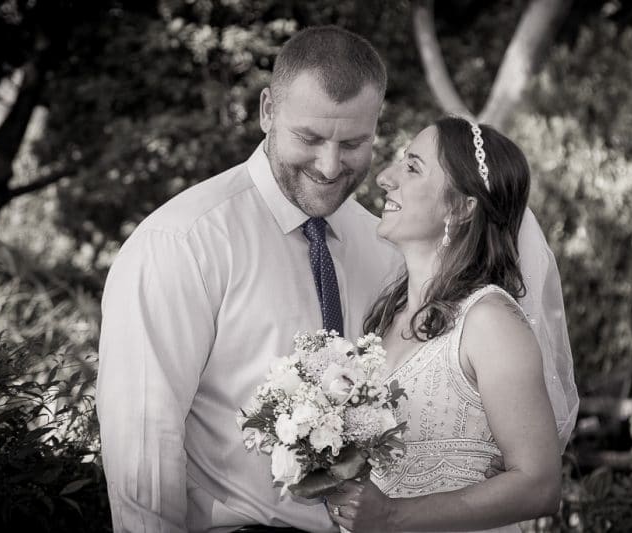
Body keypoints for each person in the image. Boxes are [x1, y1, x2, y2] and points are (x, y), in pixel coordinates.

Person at [96, 26, 402, 532]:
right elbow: (143, 443)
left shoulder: (384, 247)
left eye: (353, 143)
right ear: (267, 111)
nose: (330, 166)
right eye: (309, 138)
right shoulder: (182, 242)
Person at [325, 117, 568, 532]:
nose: (384, 177)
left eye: (413, 167)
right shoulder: (386, 316)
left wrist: (393, 516)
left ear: (460, 207)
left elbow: (540, 484)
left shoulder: (489, 321)